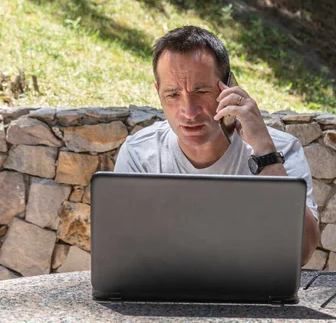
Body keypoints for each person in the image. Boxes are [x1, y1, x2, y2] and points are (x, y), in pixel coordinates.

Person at [114, 25, 320, 265]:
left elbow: (302, 252)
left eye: (201, 91)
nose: (189, 112)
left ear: (228, 86)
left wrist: (265, 151)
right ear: (158, 92)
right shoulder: (140, 154)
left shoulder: (279, 151)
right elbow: (122, 253)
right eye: (172, 95)